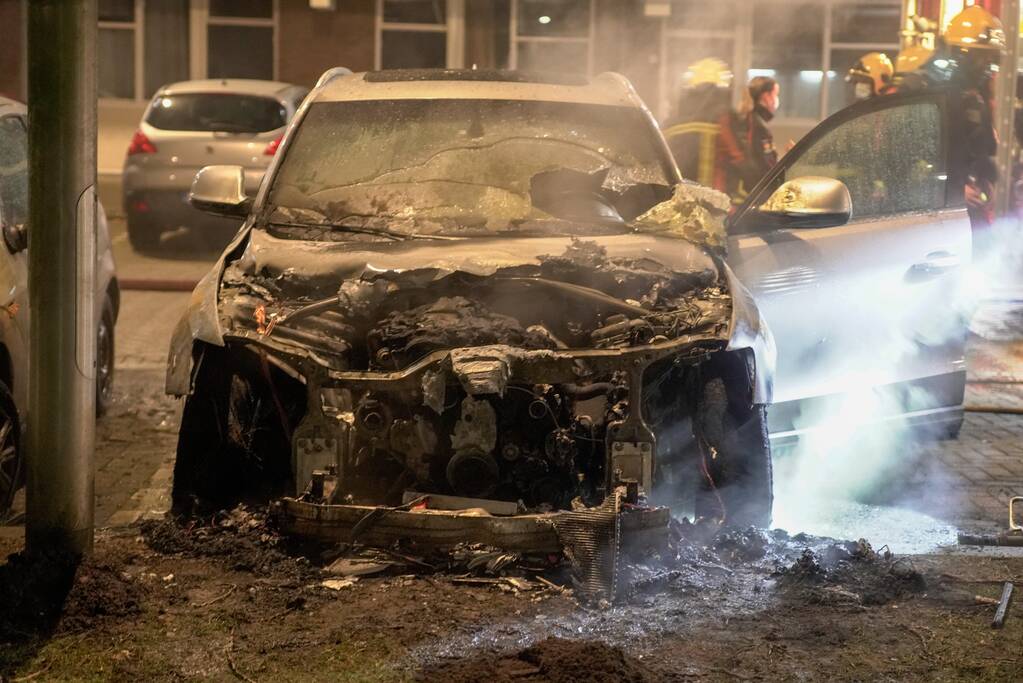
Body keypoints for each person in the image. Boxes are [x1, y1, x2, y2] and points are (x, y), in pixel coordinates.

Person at [661, 58, 734, 187]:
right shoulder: (724, 123)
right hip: (716, 195)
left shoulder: (670, 125)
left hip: (677, 193)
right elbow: (738, 159)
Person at [715, 76, 780, 206]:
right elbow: (765, 169)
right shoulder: (758, 126)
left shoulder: (749, 120)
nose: (777, 99)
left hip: (740, 196)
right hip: (749, 199)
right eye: (775, 94)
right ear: (766, 96)